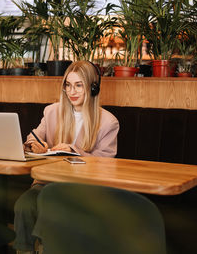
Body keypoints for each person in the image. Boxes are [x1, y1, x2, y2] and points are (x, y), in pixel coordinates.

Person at [13, 60, 119, 254]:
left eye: (79, 85)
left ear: (93, 87)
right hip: (47, 182)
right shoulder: (52, 111)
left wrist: (75, 150)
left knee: (51, 202)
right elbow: (32, 138)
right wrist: (34, 146)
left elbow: (106, 165)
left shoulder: (108, 122)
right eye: (68, 85)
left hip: (82, 188)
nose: (72, 92)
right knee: (23, 205)